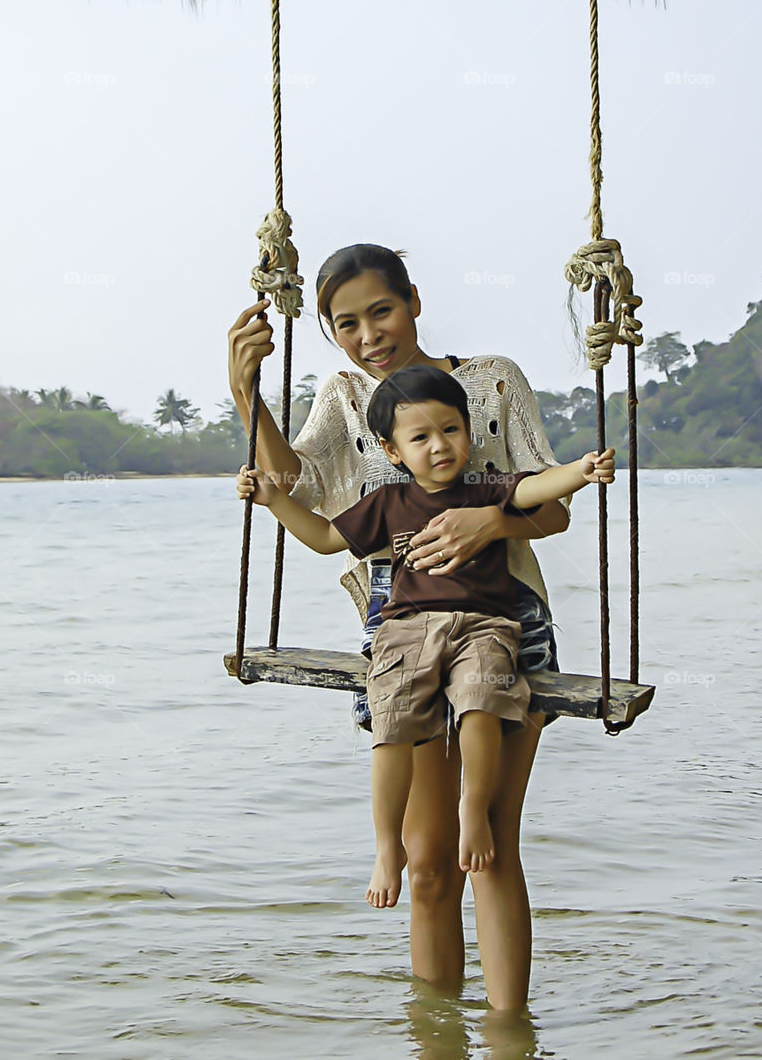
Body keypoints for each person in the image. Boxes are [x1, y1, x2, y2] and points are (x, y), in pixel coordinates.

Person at [228, 242, 573, 1011]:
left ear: (413, 299)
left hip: (503, 616)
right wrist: (243, 390)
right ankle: (436, 1034)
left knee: (487, 848)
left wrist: (489, 521)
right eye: (343, 323)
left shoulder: (489, 381)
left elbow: (551, 507)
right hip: (399, 629)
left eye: (379, 311)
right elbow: (298, 493)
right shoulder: (347, 399)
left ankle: (511, 1034)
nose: (367, 334)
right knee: (425, 862)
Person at [237, 366, 614, 915]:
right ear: (393, 452)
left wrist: (579, 472)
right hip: (406, 628)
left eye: (451, 430)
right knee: (391, 726)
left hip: (484, 624)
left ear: (467, 431)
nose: (440, 446)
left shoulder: (485, 489)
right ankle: (388, 846)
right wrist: (274, 501)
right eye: (421, 437)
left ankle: (474, 811)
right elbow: (322, 537)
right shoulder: (387, 504)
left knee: (482, 705)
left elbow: (536, 489)